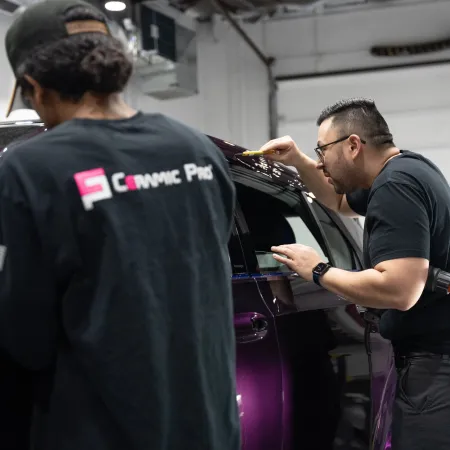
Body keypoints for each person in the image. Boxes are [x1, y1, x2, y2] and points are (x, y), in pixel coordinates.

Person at [0, 1, 240, 449]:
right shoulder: (197, 151)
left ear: (33, 86)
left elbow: (24, 336)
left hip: (99, 431)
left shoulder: (31, 168)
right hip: (208, 428)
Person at [258, 98, 450, 449]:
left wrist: (317, 270)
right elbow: (340, 202)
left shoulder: (395, 188)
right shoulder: (408, 170)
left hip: (434, 366)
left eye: (322, 149)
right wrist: (297, 161)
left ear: (352, 145)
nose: (320, 160)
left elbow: (399, 290)